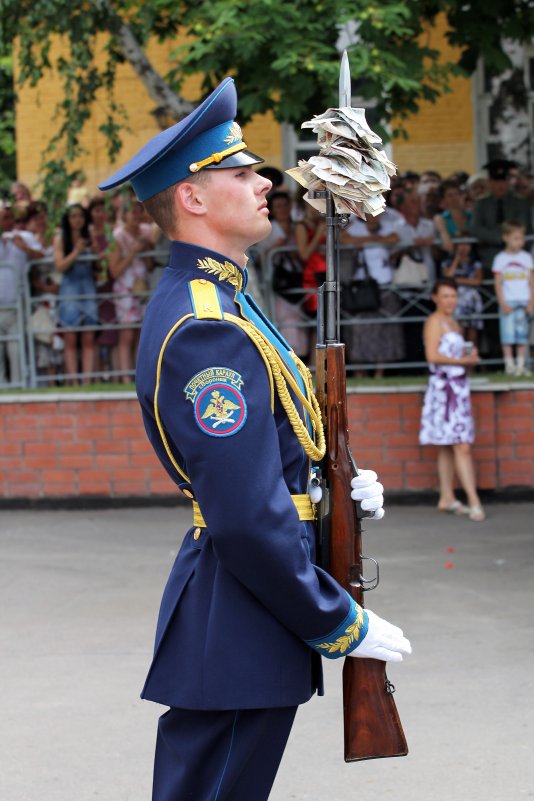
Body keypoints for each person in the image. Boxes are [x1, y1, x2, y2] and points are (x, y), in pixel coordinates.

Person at [99, 77, 411, 801]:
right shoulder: (206, 325)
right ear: (193, 198)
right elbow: (243, 511)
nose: (265, 181)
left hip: (249, 615)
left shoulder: (228, 299)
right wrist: (338, 621)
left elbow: (277, 447)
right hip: (245, 610)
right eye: (241, 173)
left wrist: (337, 485)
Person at [419, 278, 485, 522]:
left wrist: (468, 358)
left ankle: (446, 496)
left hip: (458, 388)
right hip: (444, 390)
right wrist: (463, 362)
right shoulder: (434, 321)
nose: (450, 301)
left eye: (453, 296)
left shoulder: (453, 323)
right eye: (445, 296)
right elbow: (432, 355)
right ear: (435, 297)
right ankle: (474, 500)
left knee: (449, 444)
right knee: (461, 445)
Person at [340, 213, 404, 377]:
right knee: (360, 329)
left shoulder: (389, 225)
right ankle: (360, 371)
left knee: (385, 329)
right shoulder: (354, 225)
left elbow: (394, 239)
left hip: (385, 283)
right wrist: (377, 239)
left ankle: (379, 372)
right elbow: (345, 240)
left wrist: (364, 241)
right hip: (363, 286)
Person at [108, 194, 154, 383]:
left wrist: (146, 251)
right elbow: (114, 270)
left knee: (140, 333)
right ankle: (126, 377)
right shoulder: (117, 236)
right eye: (131, 212)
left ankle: (139, 376)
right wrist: (133, 252)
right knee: (126, 334)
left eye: (138, 211)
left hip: (142, 287)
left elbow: (151, 265)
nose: (136, 215)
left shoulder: (145, 231)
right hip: (125, 290)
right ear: (124, 214)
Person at [53, 204, 98, 385]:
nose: (77, 220)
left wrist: (95, 249)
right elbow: (60, 266)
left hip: (88, 287)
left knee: (88, 336)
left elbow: (100, 260)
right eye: (73, 216)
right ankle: (73, 380)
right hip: (69, 289)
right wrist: (76, 252)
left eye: (80, 216)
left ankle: (86, 381)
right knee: (70, 336)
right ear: (67, 219)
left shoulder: (90, 235)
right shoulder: (60, 238)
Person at [469, 159, 532, 275]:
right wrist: (501, 238)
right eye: (496, 181)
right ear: (490, 182)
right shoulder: (481, 203)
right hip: (488, 257)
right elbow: (475, 228)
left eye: (503, 181)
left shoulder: (520, 203)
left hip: (516, 258)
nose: (500, 185)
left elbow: (523, 226)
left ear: (508, 181)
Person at [492, 222, 534, 376]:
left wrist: (531, 301)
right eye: (515, 238)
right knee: (507, 334)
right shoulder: (500, 258)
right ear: (506, 238)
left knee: (522, 334)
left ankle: (521, 365)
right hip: (508, 302)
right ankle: (509, 365)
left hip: (524, 301)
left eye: (521, 238)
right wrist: (502, 303)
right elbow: (497, 283)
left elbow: (531, 281)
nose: (519, 242)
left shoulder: (527, 257)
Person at [442, 242, 484, 346]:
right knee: (458, 328)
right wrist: (456, 259)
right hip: (455, 299)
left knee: (472, 329)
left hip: (472, 298)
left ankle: (470, 357)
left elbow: (478, 280)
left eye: (467, 244)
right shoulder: (448, 262)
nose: (464, 247)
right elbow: (448, 277)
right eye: (461, 244)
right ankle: (459, 356)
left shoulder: (475, 262)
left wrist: (457, 280)